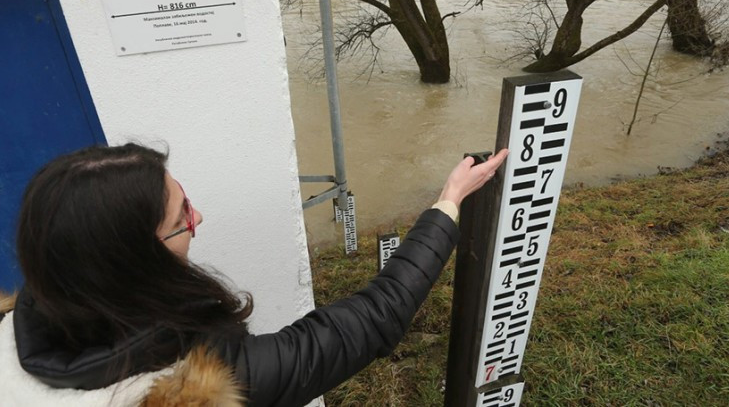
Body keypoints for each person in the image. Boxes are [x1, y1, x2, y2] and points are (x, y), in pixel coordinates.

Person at [0, 143, 508, 406]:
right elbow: (375, 318)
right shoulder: (197, 390)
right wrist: (449, 203)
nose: (197, 220)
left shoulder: (13, 339)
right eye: (181, 218)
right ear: (131, 262)